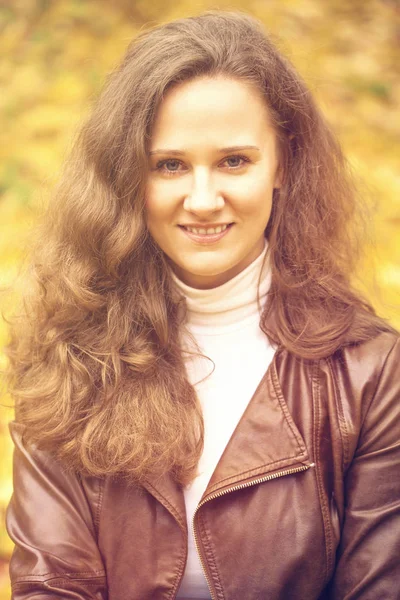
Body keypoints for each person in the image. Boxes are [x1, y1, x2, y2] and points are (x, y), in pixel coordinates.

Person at [4, 10, 400, 600]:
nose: (203, 198)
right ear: (128, 177)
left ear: (283, 164)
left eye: (234, 161)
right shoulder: (68, 358)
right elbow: (51, 585)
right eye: (170, 165)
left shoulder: (370, 371)